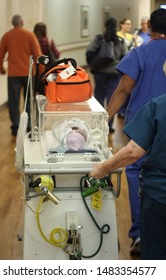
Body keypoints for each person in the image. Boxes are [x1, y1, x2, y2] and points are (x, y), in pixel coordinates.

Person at [106, 8, 166, 255]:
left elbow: (122, 90)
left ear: (149, 26)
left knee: (138, 174)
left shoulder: (140, 53)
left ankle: (141, 234)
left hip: (143, 127)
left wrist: (104, 119)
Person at [89, 93, 166, 260]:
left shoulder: (158, 106)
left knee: (157, 251)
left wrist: (103, 168)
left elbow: (133, 151)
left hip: (159, 195)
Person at [0, 14, 42, 136]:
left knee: (13, 101)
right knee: (28, 100)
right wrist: (40, 72)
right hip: (28, 73)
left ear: (13, 23)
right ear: (22, 22)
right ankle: (27, 126)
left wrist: (1, 68)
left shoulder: (7, 36)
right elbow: (38, 55)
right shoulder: (30, 35)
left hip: (13, 74)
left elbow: (0, 55)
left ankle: (16, 127)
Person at [86, 17, 126, 133]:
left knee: (98, 96)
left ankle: (97, 124)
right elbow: (124, 56)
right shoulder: (120, 40)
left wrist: (93, 64)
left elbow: (90, 52)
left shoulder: (99, 38)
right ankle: (108, 125)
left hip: (99, 72)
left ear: (105, 26)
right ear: (117, 27)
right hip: (115, 72)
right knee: (112, 98)